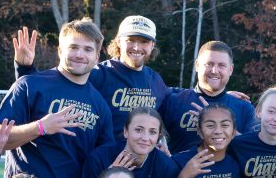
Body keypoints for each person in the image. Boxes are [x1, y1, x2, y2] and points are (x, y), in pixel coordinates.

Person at [0, 18, 116, 178]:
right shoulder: (30, 85)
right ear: (60, 50)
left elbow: (101, 162)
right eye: (73, 47)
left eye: (88, 49)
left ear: (97, 55)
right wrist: (40, 127)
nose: (80, 54)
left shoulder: (100, 105)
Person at [14, 16, 172, 139]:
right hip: (103, 162)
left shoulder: (156, 81)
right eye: (130, 40)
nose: (136, 47)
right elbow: (49, 89)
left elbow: (161, 118)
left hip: (141, 163)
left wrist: (161, 140)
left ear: (152, 46)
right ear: (118, 42)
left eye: (144, 42)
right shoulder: (97, 73)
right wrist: (24, 68)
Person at [161, 41, 257, 154]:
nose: (214, 71)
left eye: (221, 65)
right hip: (181, 170)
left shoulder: (244, 108)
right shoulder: (173, 100)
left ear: (230, 70)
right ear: (197, 65)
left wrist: (220, 123)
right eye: (209, 64)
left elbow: (253, 151)